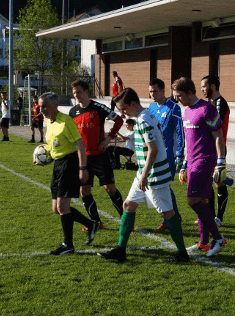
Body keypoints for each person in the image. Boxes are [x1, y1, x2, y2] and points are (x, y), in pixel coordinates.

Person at [99, 88, 191, 263]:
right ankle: (120, 249)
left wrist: (144, 175)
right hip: (145, 173)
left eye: (123, 108)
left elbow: (153, 149)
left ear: (133, 104)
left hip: (154, 175)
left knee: (168, 214)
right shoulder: (146, 115)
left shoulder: (143, 120)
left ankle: (182, 253)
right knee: (128, 205)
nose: (122, 113)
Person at [35, 92, 99, 255]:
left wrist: (83, 168)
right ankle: (90, 224)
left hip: (69, 165)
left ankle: (68, 245)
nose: (41, 109)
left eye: (44, 106)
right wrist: (43, 158)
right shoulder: (48, 121)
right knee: (56, 208)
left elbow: (80, 146)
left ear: (54, 106)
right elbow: (51, 146)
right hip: (57, 165)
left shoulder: (67, 122)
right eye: (40, 106)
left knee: (63, 207)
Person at [173, 77, 228, 257]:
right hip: (192, 162)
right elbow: (189, 142)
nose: (177, 99)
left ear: (189, 92)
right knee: (203, 202)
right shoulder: (187, 112)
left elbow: (218, 135)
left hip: (205, 160)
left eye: (179, 95)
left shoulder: (207, 109)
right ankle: (203, 242)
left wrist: (221, 162)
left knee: (192, 200)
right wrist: (184, 164)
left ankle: (218, 238)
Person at [70, 79, 126, 232]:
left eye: (79, 92)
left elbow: (119, 120)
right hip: (83, 158)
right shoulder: (73, 112)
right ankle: (96, 222)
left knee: (110, 188)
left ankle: (125, 220)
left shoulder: (98, 107)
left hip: (100, 157)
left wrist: (108, 139)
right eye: (74, 93)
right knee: (84, 191)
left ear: (86, 91)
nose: (76, 95)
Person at [147, 78, 185, 233]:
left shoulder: (173, 107)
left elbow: (180, 132)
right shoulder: (151, 107)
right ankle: (174, 216)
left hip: (168, 155)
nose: (152, 94)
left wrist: (180, 153)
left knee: (163, 187)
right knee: (162, 187)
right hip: (155, 154)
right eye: (150, 91)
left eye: (155, 91)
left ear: (163, 91)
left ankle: (168, 219)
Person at [201, 75, 230, 225]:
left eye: (204, 86)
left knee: (219, 182)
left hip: (218, 148)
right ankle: (211, 216)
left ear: (212, 86)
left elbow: (214, 125)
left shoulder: (220, 103)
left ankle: (219, 217)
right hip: (208, 148)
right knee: (209, 182)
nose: (202, 90)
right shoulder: (210, 103)